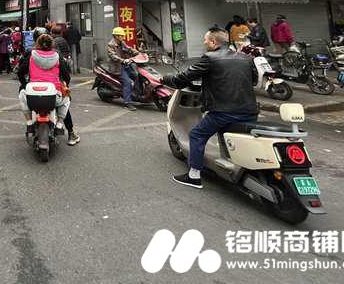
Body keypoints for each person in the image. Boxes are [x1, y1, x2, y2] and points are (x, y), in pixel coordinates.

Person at [162, 28, 259, 189]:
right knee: (224, 133)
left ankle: (194, 176)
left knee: (196, 134)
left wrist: (165, 78)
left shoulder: (210, 58)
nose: (204, 42)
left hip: (224, 112)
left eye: (206, 40)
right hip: (250, 112)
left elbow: (182, 79)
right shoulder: (246, 58)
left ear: (213, 42)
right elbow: (253, 80)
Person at [17, 28, 80, 145]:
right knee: (66, 99)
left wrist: (25, 84)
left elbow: (20, 71)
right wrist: (65, 84)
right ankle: (69, 131)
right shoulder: (57, 55)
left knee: (22, 93)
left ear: (36, 40)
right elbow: (66, 74)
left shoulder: (30, 54)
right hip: (53, 93)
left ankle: (29, 122)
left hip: (33, 94)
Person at [106, 27, 139, 111]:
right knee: (128, 82)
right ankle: (127, 103)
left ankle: (136, 94)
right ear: (116, 36)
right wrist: (122, 60)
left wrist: (138, 53)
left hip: (124, 65)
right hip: (117, 67)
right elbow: (113, 56)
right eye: (121, 36)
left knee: (137, 75)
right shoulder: (111, 44)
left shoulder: (122, 43)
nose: (123, 37)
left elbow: (128, 49)